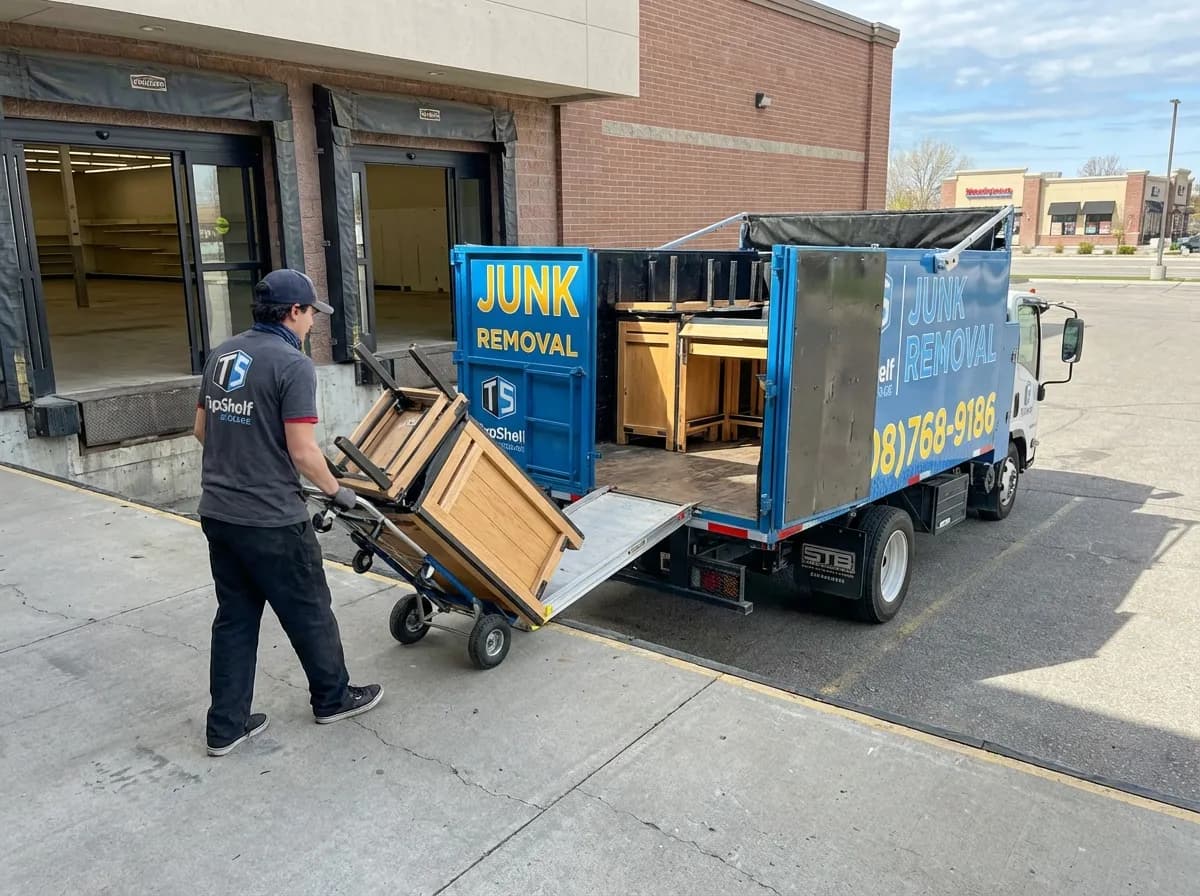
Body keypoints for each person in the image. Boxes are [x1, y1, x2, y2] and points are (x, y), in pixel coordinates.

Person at [193, 268, 383, 757]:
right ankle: (333, 698)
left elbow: (201, 430)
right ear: (293, 312)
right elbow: (303, 451)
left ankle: (225, 727)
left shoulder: (222, 354)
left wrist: (244, 456)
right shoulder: (292, 364)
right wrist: (337, 491)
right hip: (272, 518)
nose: (312, 324)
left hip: (219, 512)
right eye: (310, 314)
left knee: (234, 617)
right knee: (310, 611)